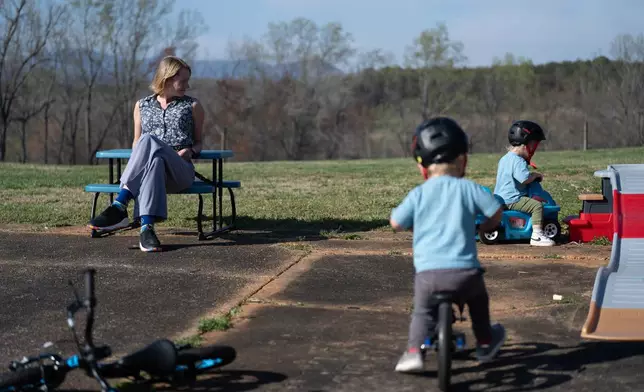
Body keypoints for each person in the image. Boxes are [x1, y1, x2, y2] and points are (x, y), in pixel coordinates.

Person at [390, 117, 506, 373]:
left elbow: (396, 222)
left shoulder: (418, 194)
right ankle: (485, 343)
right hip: (465, 274)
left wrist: (414, 226)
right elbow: (496, 212)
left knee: (422, 312)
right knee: (478, 302)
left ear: (422, 167)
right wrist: (485, 227)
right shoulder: (468, 189)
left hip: (428, 276)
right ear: (463, 160)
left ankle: (413, 353)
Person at [88, 56, 204, 252]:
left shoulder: (192, 106)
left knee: (148, 141)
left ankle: (120, 204)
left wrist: (191, 150)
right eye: (183, 81)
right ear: (167, 79)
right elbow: (136, 143)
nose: (187, 85)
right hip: (152, 172)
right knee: (154, 159)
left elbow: (200, 142)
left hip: (180, 170)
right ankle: (146, 230)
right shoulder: (142, 106)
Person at [493, 120, 554, 247]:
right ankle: (537, 235)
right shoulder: (518, 161)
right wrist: (535, 175)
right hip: (513, 199)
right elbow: (524, 179)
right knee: (537, 206)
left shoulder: (505, 158)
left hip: (501, 198)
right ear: (526, 144)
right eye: (533, 145)